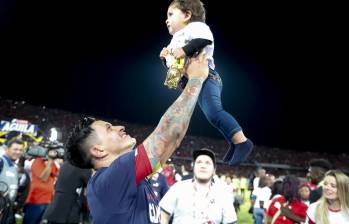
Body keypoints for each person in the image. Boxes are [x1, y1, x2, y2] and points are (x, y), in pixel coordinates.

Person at [65, 52, 209, 224]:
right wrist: (196, 80)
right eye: (109, 128)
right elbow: (169, 132)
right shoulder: (110, 179)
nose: (120, 127)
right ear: (98, 150)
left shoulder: (125, 179)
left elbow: (173, 139)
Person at [160, 0, 253, 166]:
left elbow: (204, 40)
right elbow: (173, 71)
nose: (166, 19)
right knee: (212, 116)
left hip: (208, 77)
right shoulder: (174, 39)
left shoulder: (195, 27)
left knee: (215, 112)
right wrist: (164, 59)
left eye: (171, 14)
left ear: (187, 15)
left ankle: (242, 142)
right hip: (194, 81)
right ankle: (233, 143)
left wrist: (183, 51)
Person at [160, 148, 237, 224]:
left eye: (207, 163)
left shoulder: (223, 194)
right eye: (199, 162)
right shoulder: (178, 188)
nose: (203, 166)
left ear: (214, 170)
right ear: (193, 168)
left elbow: (230, 221)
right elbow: (163, 215)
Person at [23, 149, 59, 224]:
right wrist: (50, 161)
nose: (53, 153)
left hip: (48, 201)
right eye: (52, 151)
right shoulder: (37, 161)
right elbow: (44, 178)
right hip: (36, 200)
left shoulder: (52, 163)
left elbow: (57, 174)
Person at [0, 138, 25, 224]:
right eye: (15, 149)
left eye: (21, 150)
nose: (18, 152)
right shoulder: (1, 162)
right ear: (7, 149)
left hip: (8, 209)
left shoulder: (14, 166)